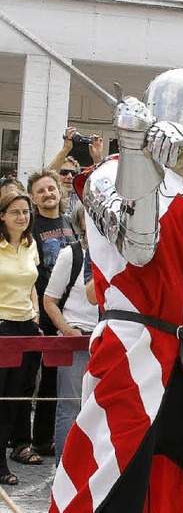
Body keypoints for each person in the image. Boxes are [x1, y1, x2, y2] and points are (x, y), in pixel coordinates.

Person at [50, 68, 183, 512]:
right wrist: (132, 149)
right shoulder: (105, 176)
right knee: (114, 494)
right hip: (131, 353)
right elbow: (139, 248)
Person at [22, 169, 76, 460]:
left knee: (59, 379)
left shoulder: (70, 224)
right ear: (33, 197)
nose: (47, 194)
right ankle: (29, 440)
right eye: (41, 191)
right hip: (41, 312)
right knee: (33, 379)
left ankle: (49, 439)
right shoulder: (31, 226)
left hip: (69, 312)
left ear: (59, 191)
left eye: (51, 189)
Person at [43, 204, 98, 467]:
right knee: (70, 406)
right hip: (77, 339)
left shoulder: (117, 255)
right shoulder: (71, 254)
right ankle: (65, 468)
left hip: (107, 339)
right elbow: (50, 299)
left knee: (99, 407)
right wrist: (67, 329)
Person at [0, 191, 41, 485]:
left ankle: (11, 450)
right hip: (1, 328)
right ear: (2, 215)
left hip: (26, 327)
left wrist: (36, 314)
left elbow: (31, 284)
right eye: (15, 211)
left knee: (18, 398)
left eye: (25, 212)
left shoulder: (30, 245)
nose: (22, 217)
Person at [48, 126, 104, 216]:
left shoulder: (83, 195)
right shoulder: (50, 195)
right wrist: (66, 149)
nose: (69, 176)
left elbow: (101, 186)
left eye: (74, 173)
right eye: (64, 172)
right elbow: (48, 177)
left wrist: (97, 159)